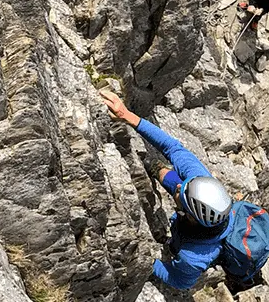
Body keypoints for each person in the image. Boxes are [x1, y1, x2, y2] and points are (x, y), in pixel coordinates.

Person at [100, 89, 235, 290]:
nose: (180, 185)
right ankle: (157, 169)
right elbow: (172, 148)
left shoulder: (192, 257)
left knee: (177, 232)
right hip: (197, 223)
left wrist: (148, 263)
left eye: (182, 194)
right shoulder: (201, 179)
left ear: (190, 216)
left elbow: (180, 282)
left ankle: (173, 242)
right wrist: (127, 116)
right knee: (176, 182)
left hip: (187, 241)